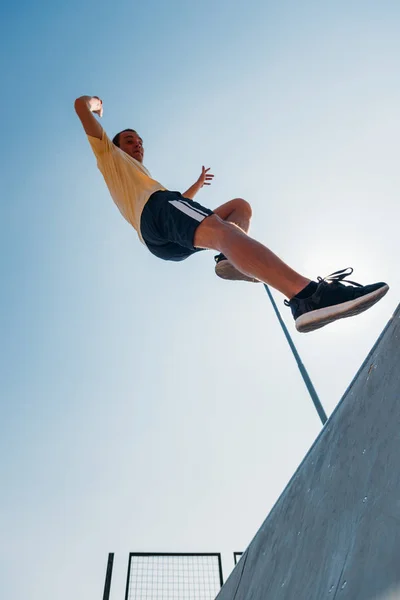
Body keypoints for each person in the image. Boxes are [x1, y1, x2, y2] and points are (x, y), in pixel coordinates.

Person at [74, 95, 389, 333]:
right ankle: (307, 296)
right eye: (130, 139)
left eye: (140, 141)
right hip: (158, 210)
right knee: (226, 233)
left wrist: (196, 186)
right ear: (115, 144)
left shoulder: (135, 179)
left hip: (161, 239)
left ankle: (228, 259)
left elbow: (182, 213)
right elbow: (80, 105)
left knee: (240, 208)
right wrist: (96, 104)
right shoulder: (108, 155)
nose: (137, 144)